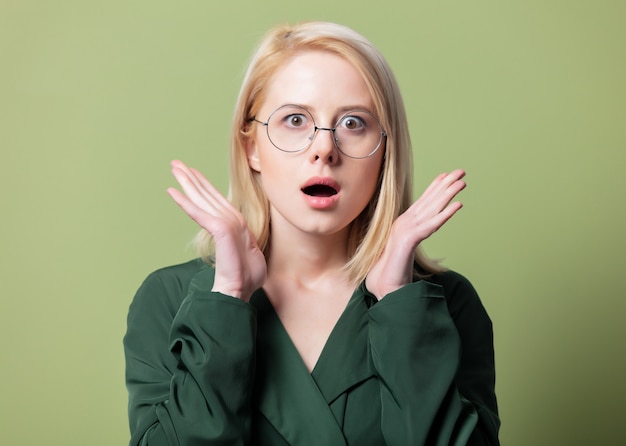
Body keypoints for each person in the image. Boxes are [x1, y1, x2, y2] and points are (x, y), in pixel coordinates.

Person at [124, 21, 500, 445]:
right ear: (251, 147)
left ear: (385, 150)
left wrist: (398, 300)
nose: (325, 148)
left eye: (354, 123)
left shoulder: (445, 304)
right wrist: (226, 296)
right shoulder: (169, 299)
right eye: (296, 120)